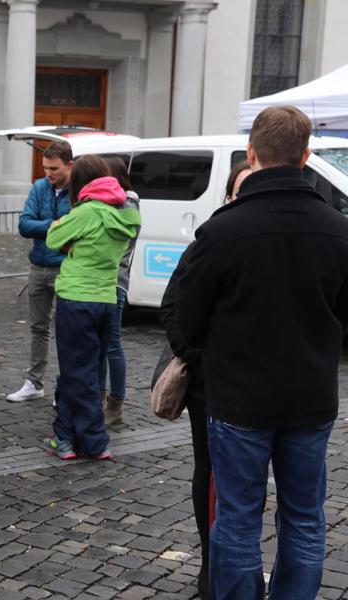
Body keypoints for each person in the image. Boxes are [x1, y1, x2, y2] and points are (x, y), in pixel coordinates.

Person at [175, 106, 348, 600]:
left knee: (236, 520)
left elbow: (187, 321)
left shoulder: (223, 230)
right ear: (306, 156)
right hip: (310, 399)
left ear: (251, 153)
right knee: (304, 519)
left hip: (239, 401)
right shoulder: (337, 229)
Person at [158, 159, 252, 600]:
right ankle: (211, 567)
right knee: (210, 470)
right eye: (240, 190)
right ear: (229, 195)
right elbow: (172, 305)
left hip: (260, 384)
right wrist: (196, 354)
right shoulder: (211, 236)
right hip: (210, 382)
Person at [41, 155, 140, 461]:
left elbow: (53, 238)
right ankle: (70, 436)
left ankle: (92, 441)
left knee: (76, 372)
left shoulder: (87, 212)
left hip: (77, 297)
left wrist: (67, 235)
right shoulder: (125, 214)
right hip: (106, 299)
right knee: (85, 370)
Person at [7, 141, 74, 402]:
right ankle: (34, 382)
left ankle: (65, 386)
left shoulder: (78, 190)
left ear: (69, 165)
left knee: (66, 329)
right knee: (38, 327)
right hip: (38, 266)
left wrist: (48, 227)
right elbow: (24, 225)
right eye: (45, 168)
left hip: (65, 268)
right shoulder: (39, 187)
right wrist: (55, 224)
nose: (48, 173)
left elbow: (75, 229)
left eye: (54, 168)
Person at [97, 157, 139, 426]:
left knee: (112, 345)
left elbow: (121, 238)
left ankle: (116, 403)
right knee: (100, 346)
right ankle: (98, 399)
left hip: (115, 282)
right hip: (100, 282)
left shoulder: (128, 203)